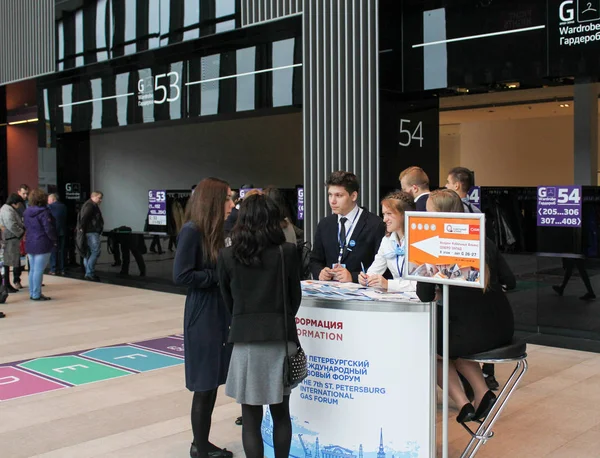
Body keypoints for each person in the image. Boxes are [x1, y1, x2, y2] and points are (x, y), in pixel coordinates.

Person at [416, 189, 515, 424]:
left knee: (432, 351)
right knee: (456, 352)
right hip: (503, 326)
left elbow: (423, 295)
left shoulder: (435, 247)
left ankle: (463, 403)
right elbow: (510, 281)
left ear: (439, 216)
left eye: (428, 213)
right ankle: (482, 394)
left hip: (471, 333)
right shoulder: (484, 240)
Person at [218, 193, 302, 458]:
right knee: (281, 414)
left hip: (246, 342)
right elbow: (294, 298)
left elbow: (227, 300)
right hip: (280, 338)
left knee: (250, 417)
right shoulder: (286, 252)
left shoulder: (227, 255)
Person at [173, 177, 235, 458]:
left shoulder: (219, 229)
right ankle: (199, 445)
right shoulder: (192, 230)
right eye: (228, 199)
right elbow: (182, 275)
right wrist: (218, 277)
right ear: (213, 201)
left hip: (220, 309)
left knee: (212, 381)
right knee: (204, 382)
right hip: (204, 311)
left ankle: (202, 443)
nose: (233, 205)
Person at [310, 171, 386, 283]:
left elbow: (382, 265)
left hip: (362, 293)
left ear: (353, 196)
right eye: (330, 195)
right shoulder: (325, 224)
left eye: (339, 195)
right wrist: (320, 272)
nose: (332, 201)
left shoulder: (375, 224)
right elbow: (315, 260)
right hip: (330, 292)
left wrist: (353, 277)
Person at [359, 191, 416, 292]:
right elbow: (375, 269)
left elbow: (421, 284)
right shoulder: (387, 240)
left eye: (389, 214)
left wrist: (388, 284)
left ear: (404, 214)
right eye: (384, 214)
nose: (384, 219)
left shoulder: (420, 241)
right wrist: (366, 278)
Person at [23, 189, 57, 301]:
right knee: (38, 270)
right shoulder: (44, 212)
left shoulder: (27, 211)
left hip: (30, 241)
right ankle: (36, 294)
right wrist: (54, 240)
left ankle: (33, 293)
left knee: (33, 270)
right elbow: (48, 228)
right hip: (42, 242)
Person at [0, 194, 25, 292]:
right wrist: (21, 232)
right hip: (11, 238)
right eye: (18, 203)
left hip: (11, 238)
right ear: (14, 203)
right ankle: (6, 284)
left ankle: (7, 283)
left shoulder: (7, 209)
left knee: (9, 262)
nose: (19, 206)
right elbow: (12, 225)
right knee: (8, 262)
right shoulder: (7, 210)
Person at [77, 192, 104, 282]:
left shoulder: (89, 205)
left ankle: (88, 273)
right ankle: (89, 273)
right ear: (93, 196)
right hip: (91, 232)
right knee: (95, 251)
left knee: (88, 253)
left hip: (88, 232)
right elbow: (84, 218)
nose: (100, 200)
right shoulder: (90, 206)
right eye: (99, 198)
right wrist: (82, 228)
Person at [48, 193, 68, 276]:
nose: (48, 202)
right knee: (62, 250)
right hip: (62, 231)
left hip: (53, 231)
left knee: (53, 250)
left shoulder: (50, 207)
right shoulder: (64, 206)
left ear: (52, 199)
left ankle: (53, 269)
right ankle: (62, 269)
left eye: (48, 200)